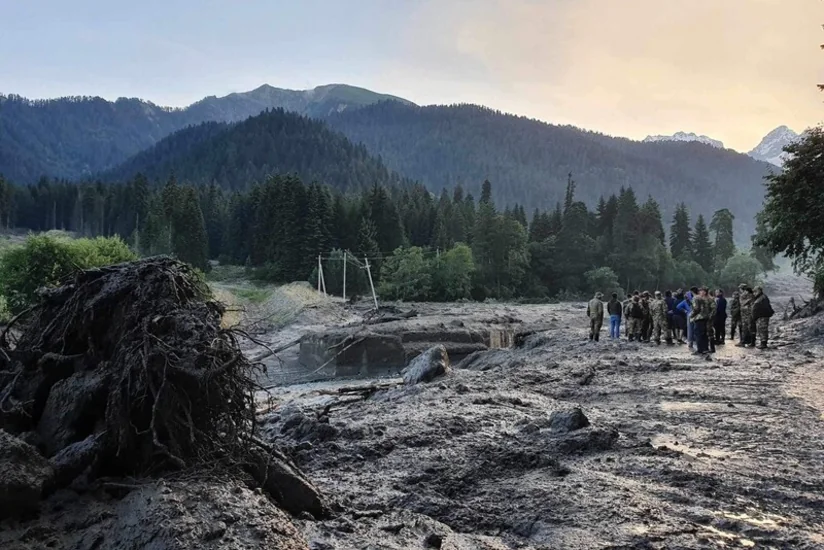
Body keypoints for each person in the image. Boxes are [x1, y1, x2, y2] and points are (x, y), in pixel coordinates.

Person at [690, 287, 711, 356]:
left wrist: (691, 315)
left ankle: (700, 350)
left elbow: (696, 308)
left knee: (698, 334)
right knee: (704, 334)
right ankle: (705, 348)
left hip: (699, 318)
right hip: (705, 317)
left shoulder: (695, 298)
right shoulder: (702, 298)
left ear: (691, 292)